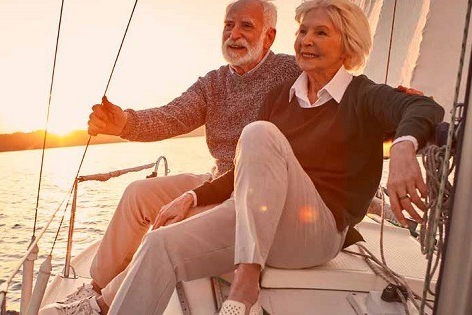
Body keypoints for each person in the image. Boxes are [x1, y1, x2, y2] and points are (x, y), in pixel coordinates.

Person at [101, 0, 444, 314]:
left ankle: (245, 283)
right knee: (159, 244)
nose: (306, 40)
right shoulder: (281, 97)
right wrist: (191, 196)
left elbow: (422, 107)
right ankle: (101, 298)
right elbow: (237, 165)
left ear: (348, 45)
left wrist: (402, 146)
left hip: (316, 231)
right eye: (303, 31)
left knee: (258, 132)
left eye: (321, 32)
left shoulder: (363, 95)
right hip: (258, 216)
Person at [39, 0, 301, 314]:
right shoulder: (214, 83)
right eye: (228, 25)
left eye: (247, 26)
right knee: (137, 194)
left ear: (269, 37)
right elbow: (171, 116)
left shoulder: (291, 72)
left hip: (253, 194)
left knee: (169, 224)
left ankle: (103, 303)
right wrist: (123, 123)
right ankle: (93, 288)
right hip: (215, 181)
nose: (234, 34)